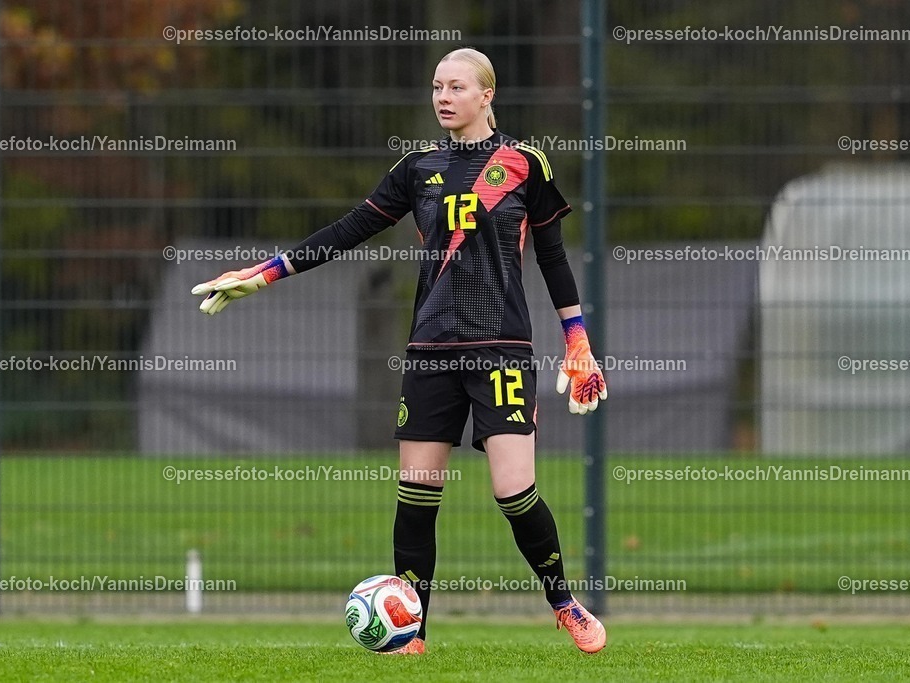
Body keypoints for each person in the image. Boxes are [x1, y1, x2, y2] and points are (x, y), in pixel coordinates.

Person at [192, 47, 608, 655]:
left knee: (514, 493)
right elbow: (349, 229)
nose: (443, 97)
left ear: (487, 95)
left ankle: (564, 603)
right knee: (417, 494)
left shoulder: (524, 163)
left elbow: (552, 257)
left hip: (501, 350)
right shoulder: (417, 168)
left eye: (457, 87)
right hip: (430, 350)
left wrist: (578, 339)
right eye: (437, 86)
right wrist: (266, 274)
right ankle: (412, 633)